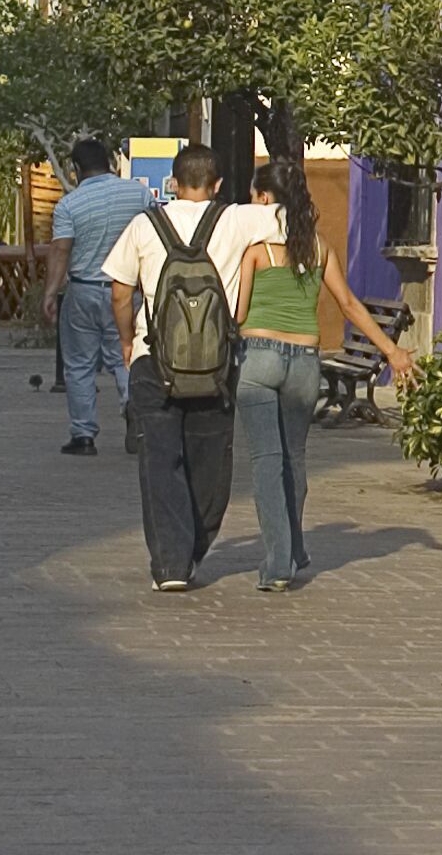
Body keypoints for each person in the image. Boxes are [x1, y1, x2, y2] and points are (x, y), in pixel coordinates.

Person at [234, 157, 412, 593]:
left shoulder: (256, 252)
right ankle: (294, 549)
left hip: (260, 357)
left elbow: (238, 313)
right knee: (294, 458)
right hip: (304, 362)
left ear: (265, 199)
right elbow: (349, 305)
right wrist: (392, 351)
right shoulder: (319, 248)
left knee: (266, 462)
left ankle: (278, 563)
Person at [104, 145, 261, 592]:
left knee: (160, 460)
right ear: (218, 184)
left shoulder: (144, 224)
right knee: (210, 461)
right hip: (216, 366)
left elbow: (120, 292)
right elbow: (296, 219)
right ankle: (192, 549)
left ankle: (170, 564)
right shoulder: (237, 220)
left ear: (173, 183)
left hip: (154, 360)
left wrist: (127, 340)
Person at [43, 137, 151, 456]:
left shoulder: (69, 205)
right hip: (126, 290)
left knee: (79, 364)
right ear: (111, 164)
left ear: (76, 169)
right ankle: (133, 407)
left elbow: (61, 251)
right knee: (125, 356)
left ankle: (83, 435)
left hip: (83, 291)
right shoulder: (139, 195)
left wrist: (50, 293)